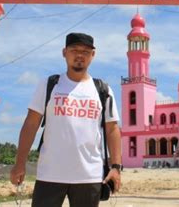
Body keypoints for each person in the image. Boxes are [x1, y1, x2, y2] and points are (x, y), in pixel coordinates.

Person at [10, 32, 122, 207]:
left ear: (93, 55)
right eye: (74, 50)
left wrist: (116, 167)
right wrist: (19, 163)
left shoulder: (103, 90)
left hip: (89, 175)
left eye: (85, 51)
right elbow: (31, 124)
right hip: (50, 174)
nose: (79, 55)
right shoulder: (48, 85)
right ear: (64, 52)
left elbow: (112, 129)